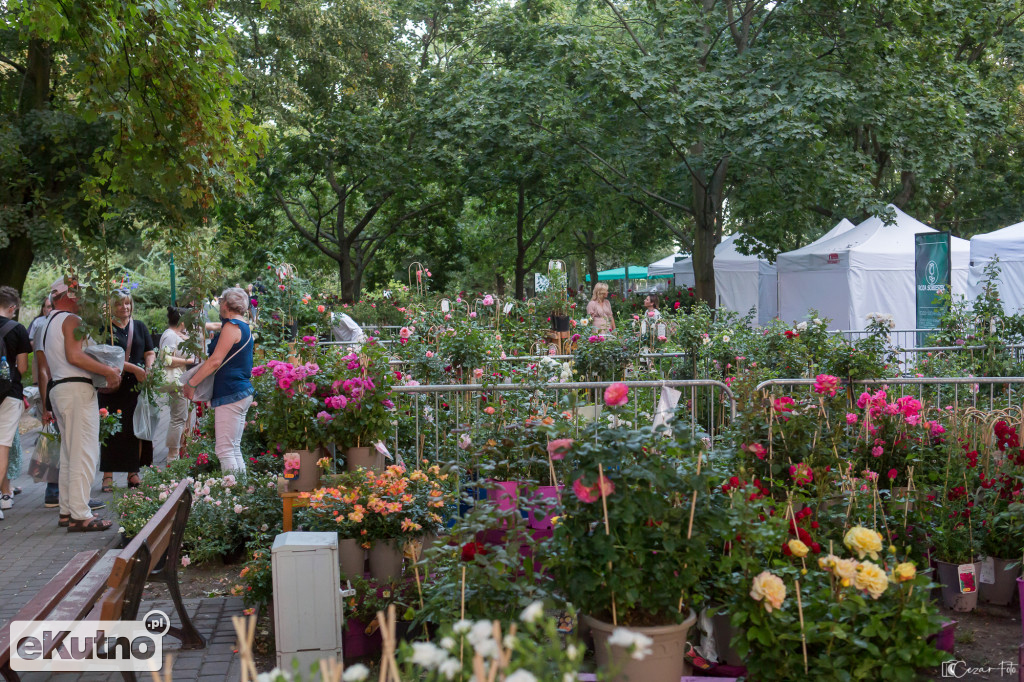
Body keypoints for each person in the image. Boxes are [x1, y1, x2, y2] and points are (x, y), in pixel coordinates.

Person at [43, 277, 120, 531]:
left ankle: (67, 510)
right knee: (84, 452)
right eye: (77, 294)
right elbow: (74, 356)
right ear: (67, 295)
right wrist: (108, 371)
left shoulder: (46, 323)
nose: (81, 300)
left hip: (60, 388)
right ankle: (80, 514)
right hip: (76, 389)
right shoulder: (70, 320)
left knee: (69, 452)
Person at [182, 287, 254, 472]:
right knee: (233, 449)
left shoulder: (232, 326)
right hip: (239, 392)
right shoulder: (244, 326)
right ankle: (240, 492)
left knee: (224, 450)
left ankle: (232, 495)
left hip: (231, 391)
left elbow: (215, 361)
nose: (220, 304)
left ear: (227, 304)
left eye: (221, 300)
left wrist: (191, 383)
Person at [99, 290, 155, 491]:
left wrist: (149, 367)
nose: (125, 307)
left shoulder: (139, 326)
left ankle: (133, 472)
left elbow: (149, 351)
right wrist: (136, 368)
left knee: (134, 429)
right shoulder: (105, 329)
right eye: (120, 304)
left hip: (135, 386)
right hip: (113, 386)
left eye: (128, 303)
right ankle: (107, 475)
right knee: (110, 428)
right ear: (112, 307)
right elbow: (105, 359)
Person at [0, 287, 30, 519]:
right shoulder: (17, 329)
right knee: (3, 446)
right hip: (9, 393)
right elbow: (22, 368)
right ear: (12, 307)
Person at [160, 307, 194, 462]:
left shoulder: (175, 335)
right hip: (176, 380)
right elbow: (166, 359)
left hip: (181, 379)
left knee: (182, 416)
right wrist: (188, 361)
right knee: (178, 417)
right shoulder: (170, 336)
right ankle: (172, 455)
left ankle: (178, 450)